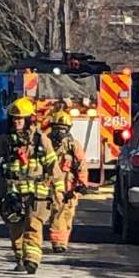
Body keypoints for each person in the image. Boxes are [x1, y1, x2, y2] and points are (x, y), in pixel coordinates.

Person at [0, 98, 64, 274]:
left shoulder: (41, 141)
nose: (17, 122)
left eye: (21, 119)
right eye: (14, 119)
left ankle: (32, 260)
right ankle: (20, 257)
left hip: (37, 194)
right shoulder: (4, 141)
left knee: (33, 226)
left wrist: (58, 189)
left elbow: (53, 167)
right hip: (13, 195)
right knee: (16, 230)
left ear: (29, 120)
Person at [47, 109, 87, 254]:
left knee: (68, 215)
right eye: (57, 128)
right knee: (58, 213)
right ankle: (58, 243)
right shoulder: (46, 144)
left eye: (63, 129)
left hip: (70, 186)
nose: (60, 132)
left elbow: (81, 165)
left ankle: (63, 241)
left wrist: (82, 184)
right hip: (52, 185)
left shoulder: (73, 145)